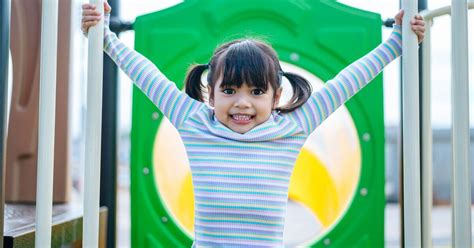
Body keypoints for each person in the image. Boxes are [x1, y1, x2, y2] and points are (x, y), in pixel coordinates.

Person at [82, 2, 424, 247]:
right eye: (229, 90)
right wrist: (105, 37)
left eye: (256, 91)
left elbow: (346, 83)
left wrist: (397, 41)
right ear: (211, 95)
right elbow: (147, 76)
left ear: (275, 97)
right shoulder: (195, 122)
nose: (242, 102)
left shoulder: (290, 127)